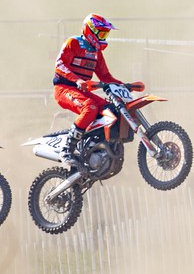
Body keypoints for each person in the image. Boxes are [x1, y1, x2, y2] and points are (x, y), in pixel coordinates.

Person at [53, 13, 143, 169]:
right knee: (90, 107)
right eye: (101, 33)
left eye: (105, 34)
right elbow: (60, 65)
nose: (103, 37)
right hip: (64, 88)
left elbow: (105, 76)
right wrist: (77, 80)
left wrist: (125, 86)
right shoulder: (73, 43)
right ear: (90, 30)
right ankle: (66, 149)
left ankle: (94, 145)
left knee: (111, 110)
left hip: (83, 91)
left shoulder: (96, 53)